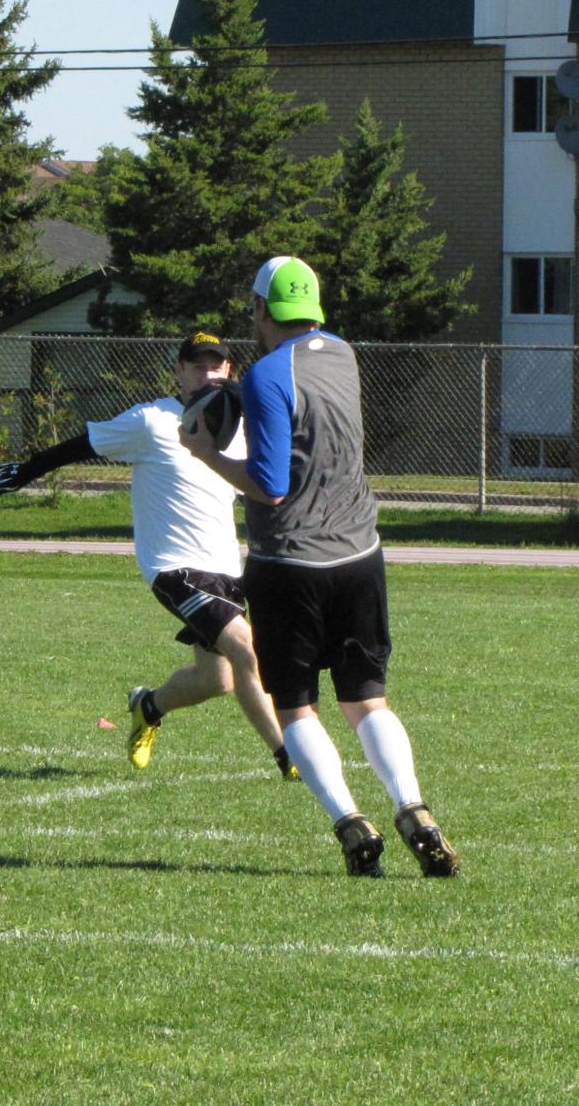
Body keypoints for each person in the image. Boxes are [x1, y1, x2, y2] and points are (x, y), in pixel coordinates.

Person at [180, 258, 459, 878]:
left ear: (260, 310)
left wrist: (206, 453)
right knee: (367, 700)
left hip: (290, 564)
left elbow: (271, 485)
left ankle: (350, 822)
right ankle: (412, 808)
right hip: (359, 555)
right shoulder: (344, 354)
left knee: (296, 707)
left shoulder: (265, 374)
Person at [0, 331, 296, 781]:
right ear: (178, 371)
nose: (207, 374)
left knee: (219, 680)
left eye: (215, 366)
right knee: (247, 649)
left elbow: (266, 484)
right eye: (196, 366)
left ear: (228, 371)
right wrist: (27, 470)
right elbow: (86, 442)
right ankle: (290, 757)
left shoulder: (239, 428)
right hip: (175, 568)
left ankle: (148, 706)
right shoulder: (153, 421)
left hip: (226, 569)